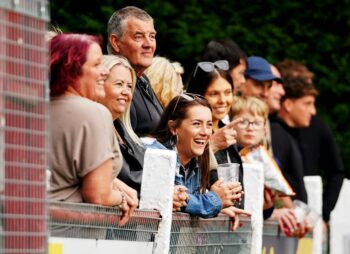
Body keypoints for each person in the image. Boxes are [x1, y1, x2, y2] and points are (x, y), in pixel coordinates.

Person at [49, 33, 138, 230]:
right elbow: (98, 195)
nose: (105, 72)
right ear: (72, 68)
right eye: (97, 64)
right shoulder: (94, 113)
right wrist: (122, 198)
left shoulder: (30, 109)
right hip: (72, 238)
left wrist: (113, 183)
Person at [150, 94, 250, 229]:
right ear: (173, 128)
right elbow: (173, 202)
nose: (205, 132)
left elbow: (189, 203)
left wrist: (218, 204)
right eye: (196, 124)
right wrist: (214, 201)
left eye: (209, 125)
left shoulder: (197, 161)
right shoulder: (156, 154)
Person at [277, 60, 345, 222]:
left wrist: (323, 213)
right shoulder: (273, 128)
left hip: (306, 217)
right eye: (307, 103)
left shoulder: (318, 126)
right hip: (286, 218)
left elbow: (337, 171)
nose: (312, 110)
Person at [186, 60, 245, 209]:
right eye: (214, 94)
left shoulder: (229, 132)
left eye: (227, 92)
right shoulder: (188, 131)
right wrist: (211, 144)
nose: (223, 100)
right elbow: (184, 174)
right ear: (199, 95)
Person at [107, 6, 163, 137]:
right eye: (138, 36)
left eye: (152, 36)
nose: (148, 44)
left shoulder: (142, 79)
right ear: (115, 42)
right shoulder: (110, 85)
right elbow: (126, 148)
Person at [98, 55, 146, 196]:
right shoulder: (95, 128)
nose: (126, 92)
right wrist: (160, 190)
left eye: (129, 86)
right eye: (119, 84)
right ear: (100, 84)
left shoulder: (124, 130)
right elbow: (126, 178)